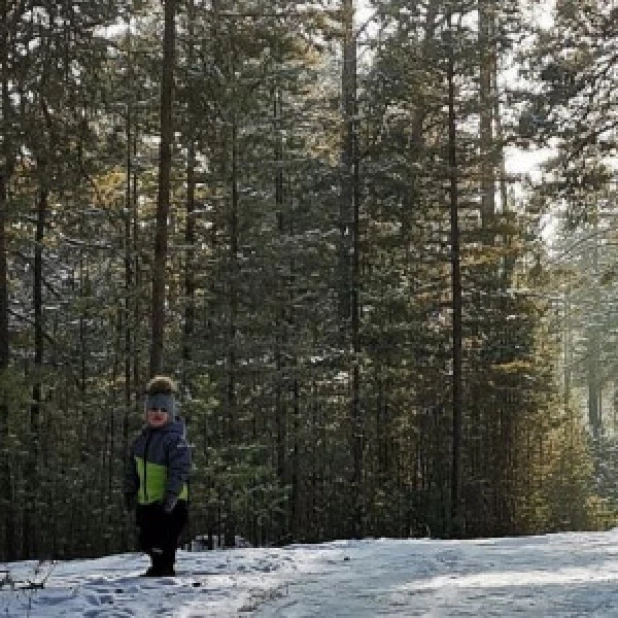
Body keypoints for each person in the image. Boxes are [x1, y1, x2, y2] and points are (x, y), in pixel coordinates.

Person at [124, 376, 191, 577]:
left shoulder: (175, 440)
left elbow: (180, 470)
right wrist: (129, 491)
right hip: (146, 501)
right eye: (153, 410)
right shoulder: (140, 441)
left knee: (165, 539)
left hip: (171, 501)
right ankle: (158, 565)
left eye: (163, 410)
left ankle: (165, 568)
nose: (158, 414)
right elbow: (132, 469)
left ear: (170, 414)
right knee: (147, 540)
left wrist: (171, 495)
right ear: (146, 413)